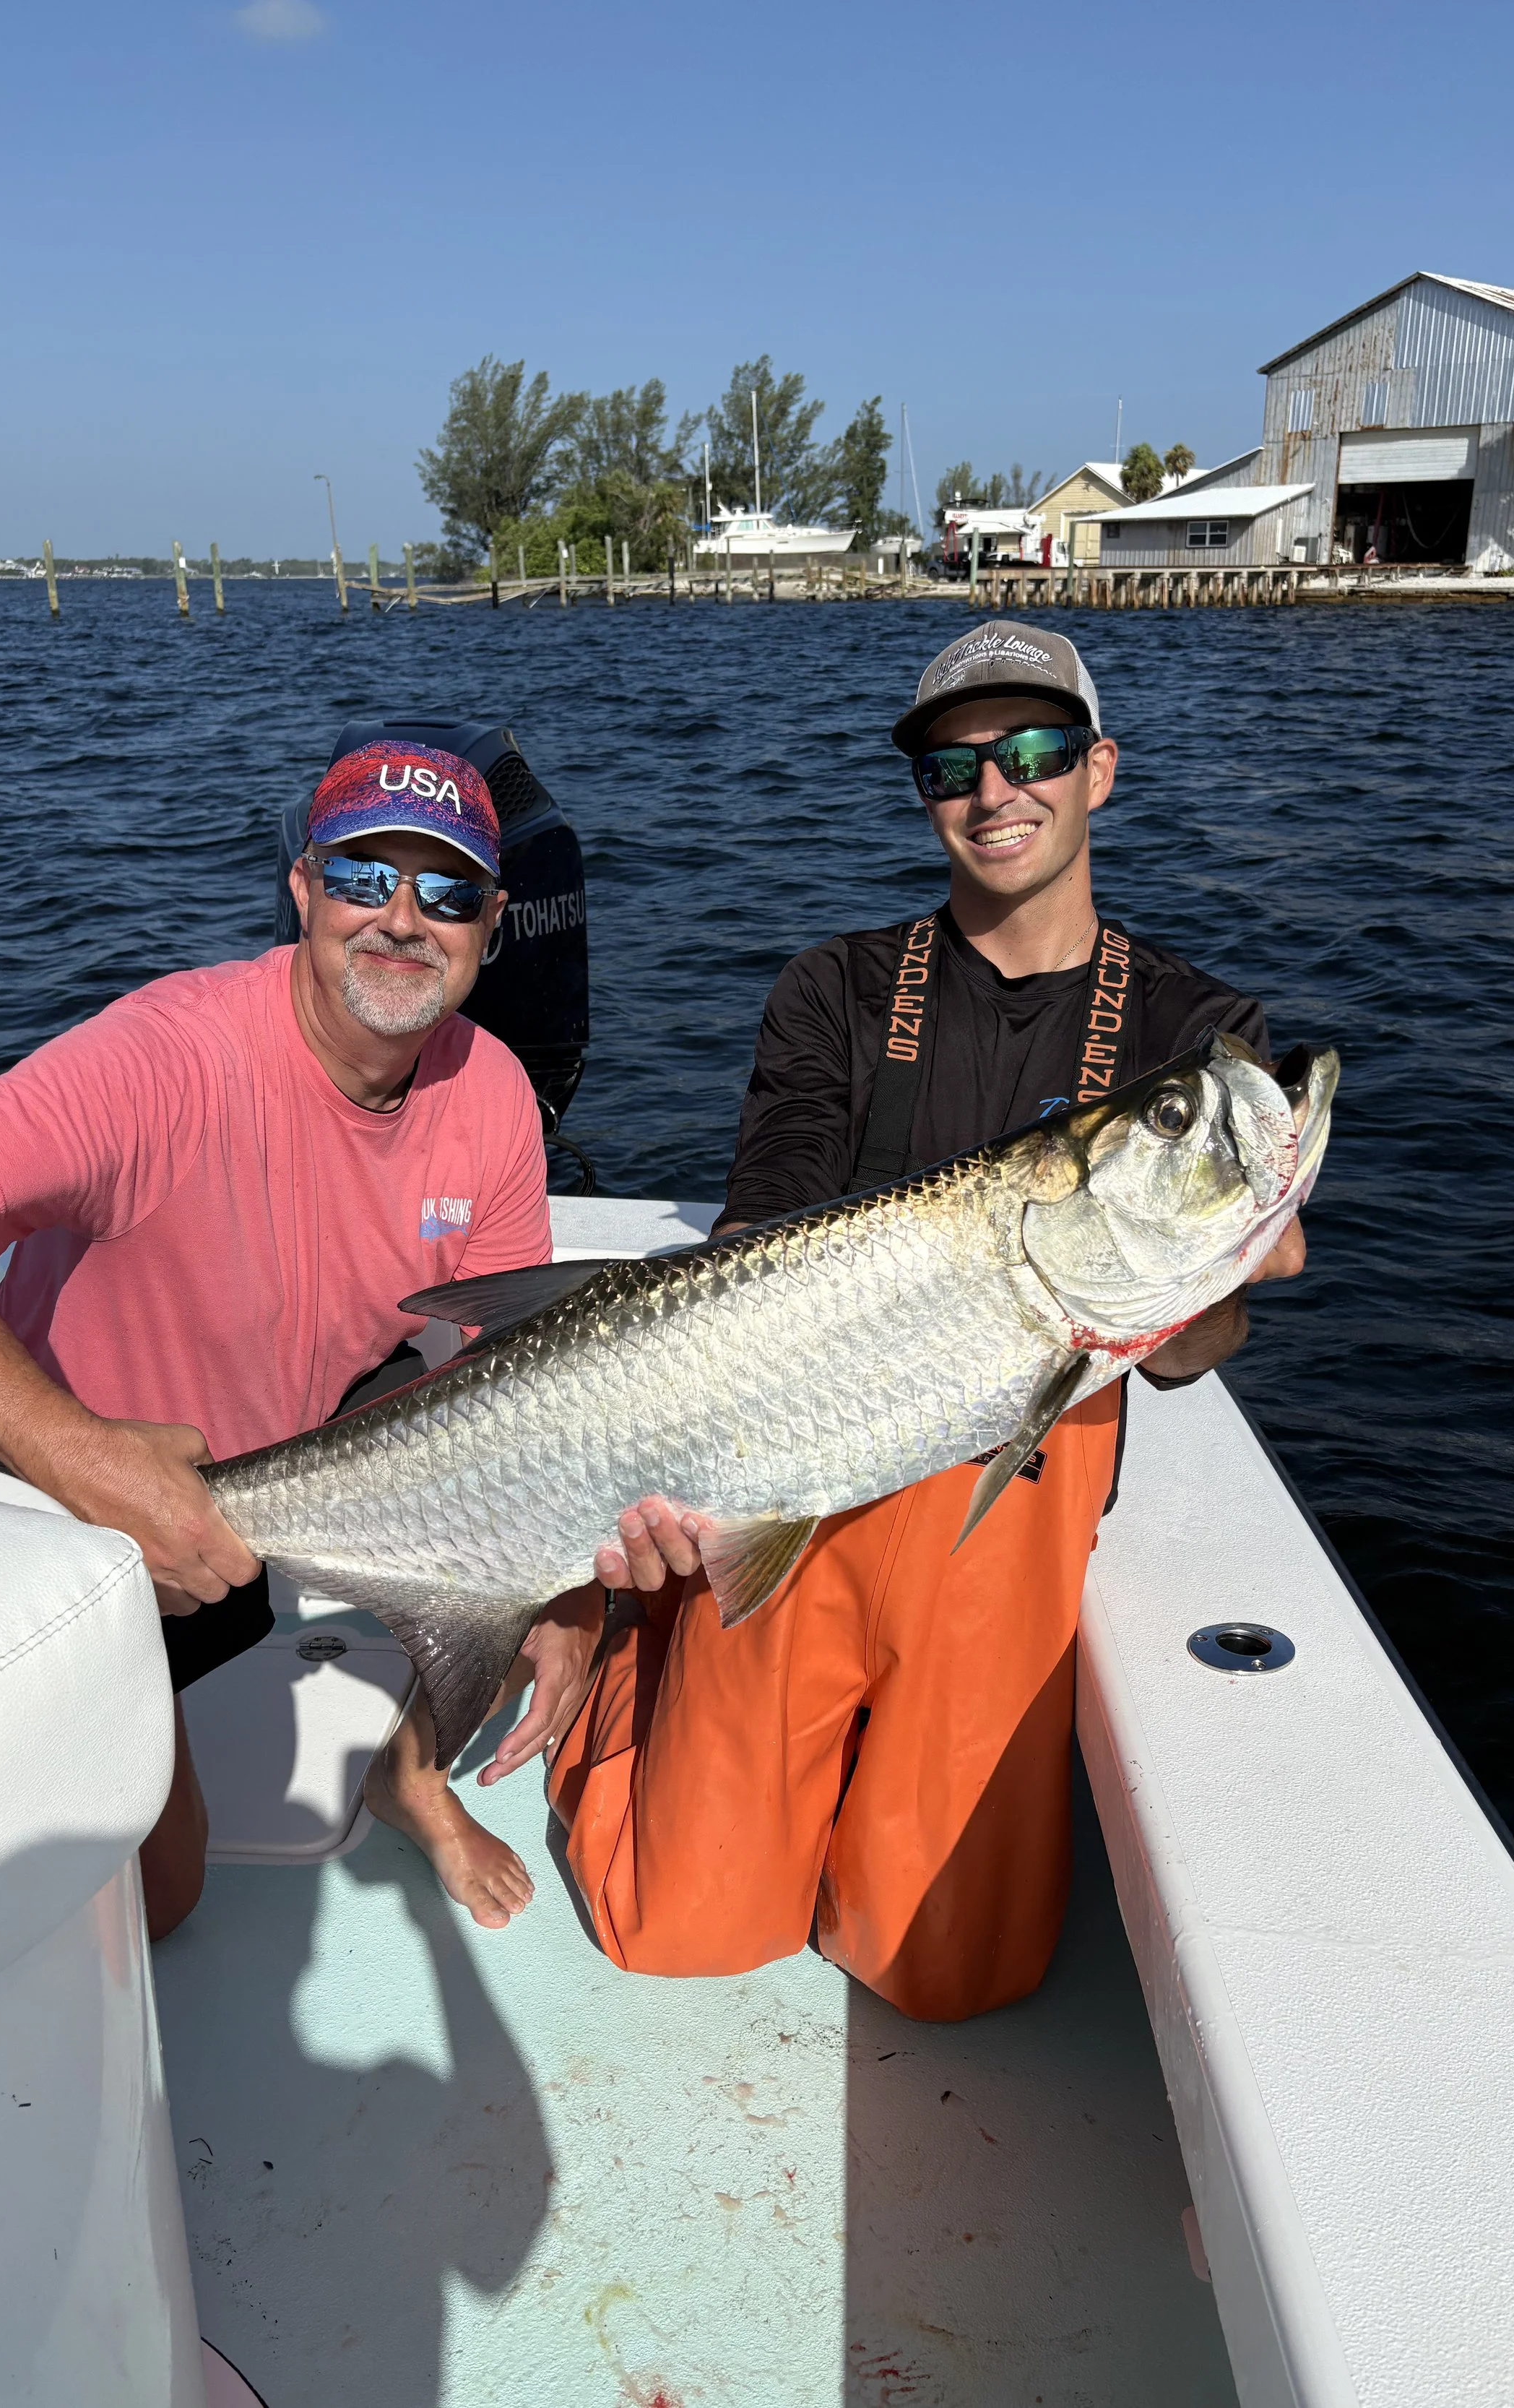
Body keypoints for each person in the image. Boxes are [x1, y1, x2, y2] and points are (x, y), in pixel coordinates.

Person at [549, 621, 1307, 2021]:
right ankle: (622, 1671)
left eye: (1034, 752)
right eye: (955, 764)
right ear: (921, 792)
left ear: (1099, 770)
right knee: (669, 1924)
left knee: (949, 1974)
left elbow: (1198, 1341)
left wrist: (1209, 1279)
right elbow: (753, 1246)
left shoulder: (1190, 1032)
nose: (996, 789)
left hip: (1006, 1492)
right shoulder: (832, 991)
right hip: (796, 1465)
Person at [0, 739, 611, 1936]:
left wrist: (565, 1573)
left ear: (494, 922)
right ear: (304, 890)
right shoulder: (172, 1053)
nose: (404, 920)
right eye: (365, 878)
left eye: (448, 892)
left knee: (541, 1550)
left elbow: (511, 1384)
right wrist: (84, 1460)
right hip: (56, 1510)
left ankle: (408, 1774)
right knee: (154, 1911)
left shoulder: (495, 1092)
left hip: (259, 1522)